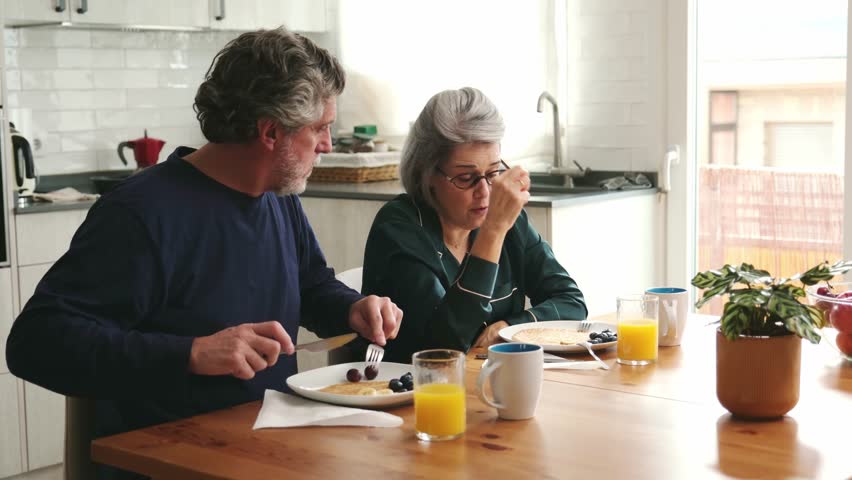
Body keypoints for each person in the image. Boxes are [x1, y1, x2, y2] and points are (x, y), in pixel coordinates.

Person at [5, 26, 403, 470]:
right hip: (169, 462)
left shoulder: (275, 198)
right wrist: (191, 354)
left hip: (264, 450)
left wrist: (352, 308)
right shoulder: (142, 213)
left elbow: (311, 285)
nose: (327, 145)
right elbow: (35, 343)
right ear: (271, 131)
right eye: (321, 129)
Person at [360, 87, 586, 363]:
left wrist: (510, 327)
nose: (486, 192)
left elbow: (571, 302)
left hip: (490, 383)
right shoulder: (399, 227)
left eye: (493, 173)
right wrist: (492, 231)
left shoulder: (508, 220)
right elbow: (445, 347)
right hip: (415, 394)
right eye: (466, 178)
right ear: (426, 173)